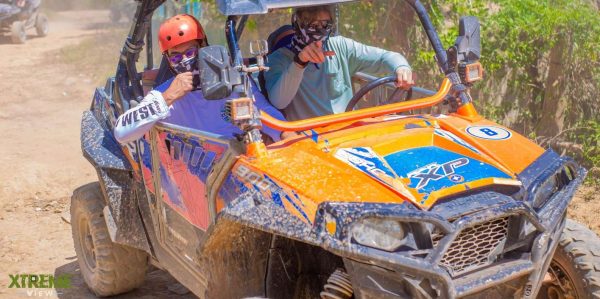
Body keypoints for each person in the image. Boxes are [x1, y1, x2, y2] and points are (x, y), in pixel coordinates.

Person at [114, 14, 285, 144]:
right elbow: (121, 132)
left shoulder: (235, 81)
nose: (185, 61)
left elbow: (271, 119)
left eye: (190, 52)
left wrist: (289, 137)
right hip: (192, 179)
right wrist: (168, 97)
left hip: (237, 167)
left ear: (204, 47)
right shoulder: (163, 94)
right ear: (168, 60)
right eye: (176, 57)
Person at [264, 5, 414, 121]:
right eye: (314, 26)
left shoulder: (339, 46)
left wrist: (401, 67)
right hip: (309, 139)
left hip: (348, 131)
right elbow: (279, 102)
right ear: (298, 25)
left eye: (326, 25)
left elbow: (385, 57)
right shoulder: (279, 59)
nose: (320, 32)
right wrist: (299, 62)